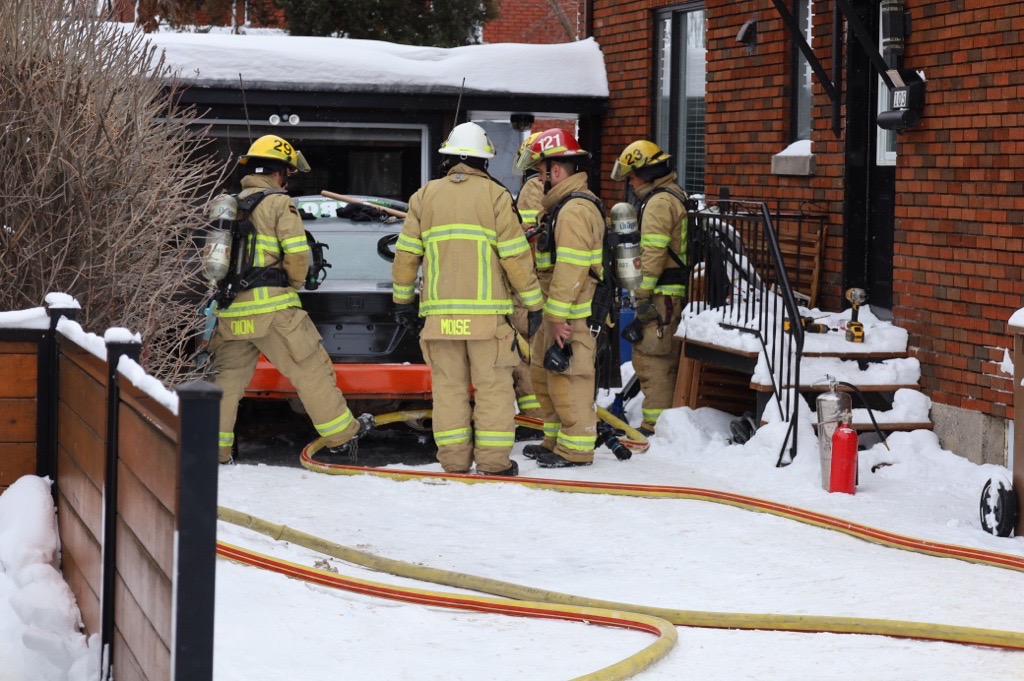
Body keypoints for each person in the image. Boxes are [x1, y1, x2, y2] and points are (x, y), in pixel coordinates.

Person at [391, 122, 544, 476]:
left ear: (448, 159)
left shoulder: (424, 196)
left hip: (440, 320)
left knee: (449, 391)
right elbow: (516, 257)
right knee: (493, 390)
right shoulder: (496, 196)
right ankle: (493, 462)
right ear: (483, 161)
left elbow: (406, 256)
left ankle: (454, 461)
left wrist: (402, 302)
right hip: (487, 321)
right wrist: (534, 304)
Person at [209, 134, 370, 464]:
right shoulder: (280, 204)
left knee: (225, 383)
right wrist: (293, 286)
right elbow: (297, 257)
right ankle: (341, 437)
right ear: (278, 172)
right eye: (287, 174)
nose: (287, 181)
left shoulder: (231, 205)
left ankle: (215, 450)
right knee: (311, 369)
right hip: (274, 310)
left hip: (231, 311)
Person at [519, 128, 606, 468]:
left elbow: (571, 270)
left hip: (572, 316)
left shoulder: (573, 211)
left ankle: (576, 449)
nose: (539, 180)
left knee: (570, 381)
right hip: (557, 313)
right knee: (547, 378)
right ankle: (555, 441)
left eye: (541, 172)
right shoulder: (561, 208)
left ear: (555, 171)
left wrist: (557, 318)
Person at [611, 140, 689, 436]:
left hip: (661, 295)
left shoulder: (659, 202)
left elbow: (652, 254)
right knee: (656, 358)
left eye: (632, 176)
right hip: (668, 293)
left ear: (645, 174)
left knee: (653, 359)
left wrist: (640, 295)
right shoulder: (671, 195)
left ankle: (654, 426)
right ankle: (657, 423)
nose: (630, 183)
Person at [509, 132, 546, 428]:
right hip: (542, 280)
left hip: (529, 281)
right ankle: (541, 413)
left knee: (526, 352)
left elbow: (526, 235)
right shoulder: (552, 187)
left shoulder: (534, 186)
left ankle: (535, 416)